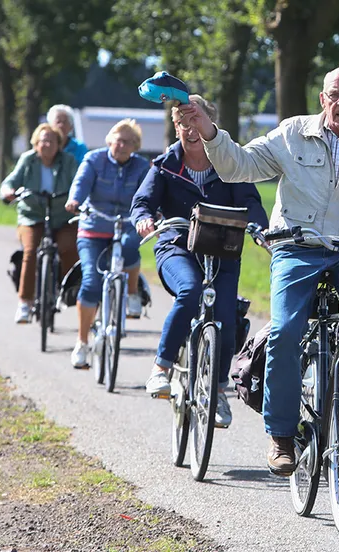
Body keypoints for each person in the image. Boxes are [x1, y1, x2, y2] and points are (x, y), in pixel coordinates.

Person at [174, 66, 339, 476]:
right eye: (333, 94)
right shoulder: (292, 133)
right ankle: (282, 435)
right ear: (322, 99)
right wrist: (211, 132)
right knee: (287, 330)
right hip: (297, 247)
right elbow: (240, 165)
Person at [131, 95, 268, 429]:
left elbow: (251, 202)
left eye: (196, 121)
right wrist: (144, 219)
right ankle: (161, 368)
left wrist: (261, 230)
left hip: (223, 249)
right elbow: (142, 202)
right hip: (176, 246)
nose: (190, 129)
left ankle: (219, 389)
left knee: (224, 316)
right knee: (190, 291)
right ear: (175, 126)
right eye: (182, 122)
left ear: (210, 123)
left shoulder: (230, 163)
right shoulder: (164, 165)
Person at [65, 119, 151, 368]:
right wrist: (75, 201)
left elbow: (148, 194)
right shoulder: (94, 159)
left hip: (128, 223)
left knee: (130, 246)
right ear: (110, 140)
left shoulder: (141, 166)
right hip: (94, 226)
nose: (122, 145)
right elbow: (80, 184)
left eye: (128, 142)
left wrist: (151, 214)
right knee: (91, 281)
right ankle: (81, 342)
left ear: (135, 147)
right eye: (119, 140)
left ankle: (132, 293)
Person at [0, 123, 79, 324]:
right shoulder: (28, 160)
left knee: (69, 247)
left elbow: (79, 182)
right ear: (36, 143)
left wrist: (77, 199)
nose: (47, 144)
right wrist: (8, 192)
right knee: (30, 251)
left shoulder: (68, 161)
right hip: (31, 215)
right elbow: (10, 181)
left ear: (59, 144)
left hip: (62, 216)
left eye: (52, 141)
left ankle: (67, 288)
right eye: (43, 140)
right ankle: (25, 303)